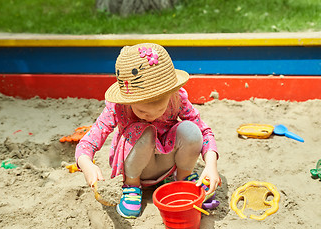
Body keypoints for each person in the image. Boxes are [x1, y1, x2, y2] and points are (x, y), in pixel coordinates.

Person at [75, 43, 220, 218]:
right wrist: (87, 165)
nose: (151, 116)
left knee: (190, 129)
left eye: (159, 110)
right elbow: (88, 142)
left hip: (167, 164)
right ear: (128, 101)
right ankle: (132, 187)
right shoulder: (118, 107)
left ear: (171, 94)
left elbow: (204, 132)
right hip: (137, 167)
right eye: (142, 111)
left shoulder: (177, 98)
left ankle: (182, 179)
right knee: (144, 130)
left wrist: (211, 166)